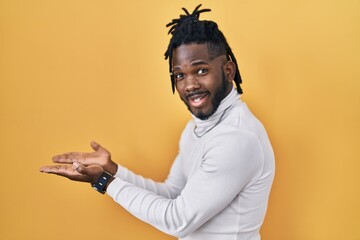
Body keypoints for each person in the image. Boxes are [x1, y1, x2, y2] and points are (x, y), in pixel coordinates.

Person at [40, 5, 275, 240]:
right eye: (180, 75)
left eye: (201, 70)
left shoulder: (237, 138)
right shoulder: (196, 128)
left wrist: (105, 182)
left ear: (229, 70)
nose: (189, 85)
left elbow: (178, 219)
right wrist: (113, 171)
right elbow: (172, 194)